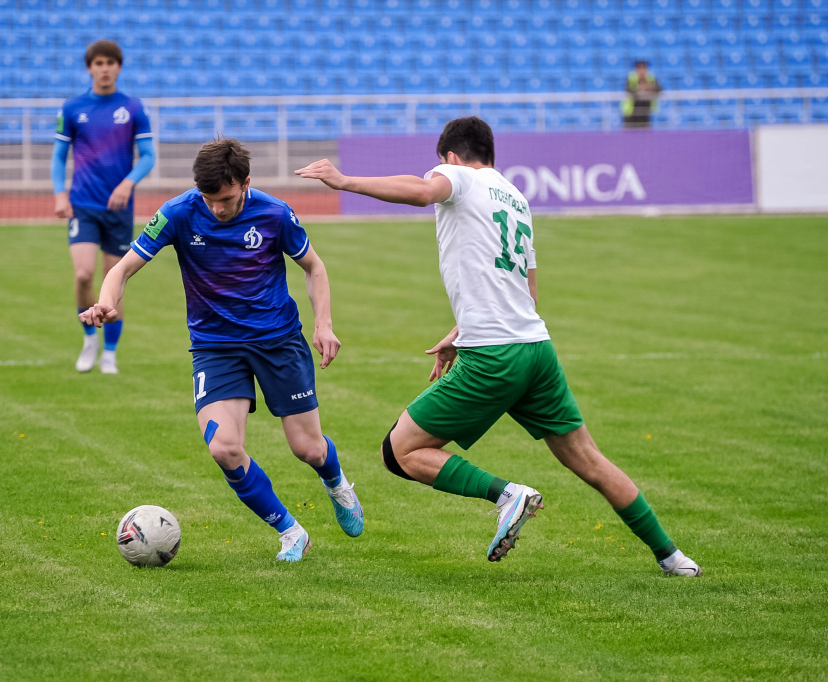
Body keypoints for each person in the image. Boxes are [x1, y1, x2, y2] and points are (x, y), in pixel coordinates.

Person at [295, 117, 702, 576]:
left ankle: (507, 494)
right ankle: (673, 557)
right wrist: (459, 330)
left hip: (494, 356)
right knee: (590, 459)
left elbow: (422, 190)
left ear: (450, 157)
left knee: (400, 452)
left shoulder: (459, 178)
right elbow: (525, 293)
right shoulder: (517, 199)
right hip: (536, 349)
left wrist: (344, 180)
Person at [80, 138, 364, 562]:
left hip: (278, 341)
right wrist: (107, 301)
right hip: (215, 347)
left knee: (308, 449)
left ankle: (337, 482)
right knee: (223, 448)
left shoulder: (273, 212)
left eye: (227, 199)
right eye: (209, 199)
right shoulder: (178, 213)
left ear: (246, 183)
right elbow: (123, 267)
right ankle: (291, 532)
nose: (217, 208)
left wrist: (323, 325)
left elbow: (314, 267)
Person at [52, 40, 156, 374]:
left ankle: (110, 351)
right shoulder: (72, 108)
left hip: (118, 210)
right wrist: (59, 193)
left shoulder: (133, 108)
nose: (105, 68)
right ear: (89, 68)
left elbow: (149, 156)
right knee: (83, 275)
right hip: (83, 204)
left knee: (116, 279)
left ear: (119, 67)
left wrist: (127, 183)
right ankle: (89, 340)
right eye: (98, 63)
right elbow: (58, 156)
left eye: (111, 62)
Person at [622, 59, 661, 129]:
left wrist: (649, 88)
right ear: (636, 69)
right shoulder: (631, 77)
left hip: (646, 110)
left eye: (644, 68)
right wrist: (639, 89)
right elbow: (628, 90)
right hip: (631, 110)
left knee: (645, 133)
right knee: (630, 132)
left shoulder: (651, 77)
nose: (642, 71)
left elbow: (659, 89)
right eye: (640, 68)